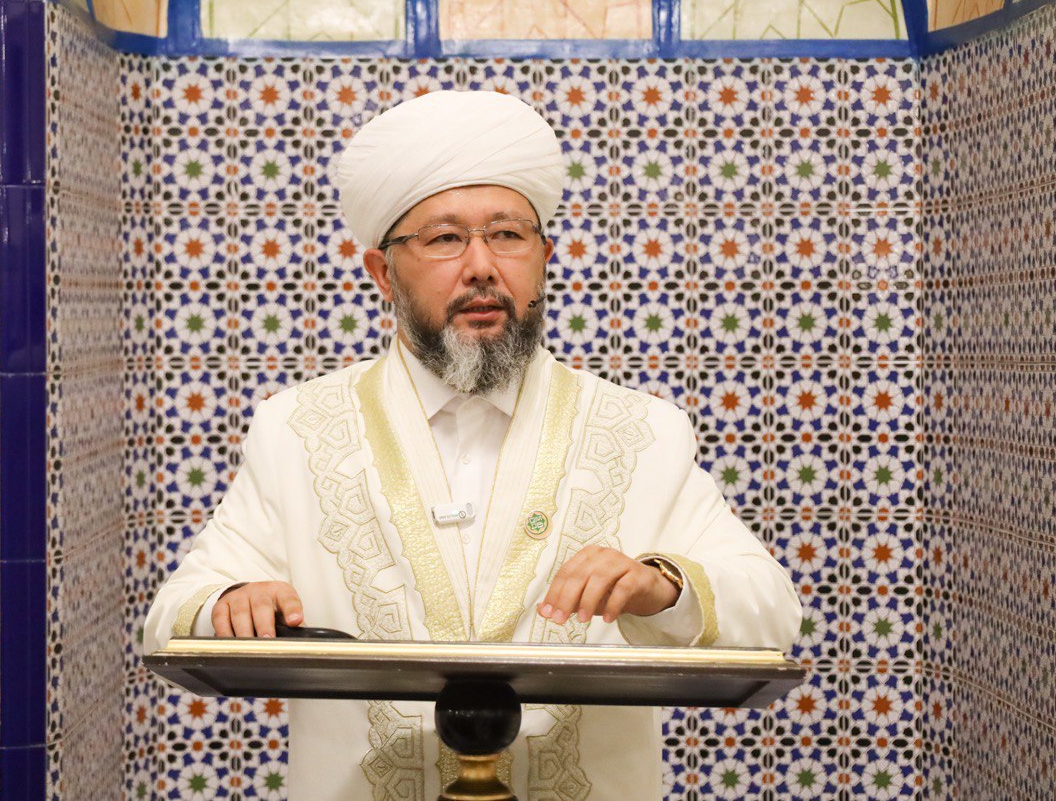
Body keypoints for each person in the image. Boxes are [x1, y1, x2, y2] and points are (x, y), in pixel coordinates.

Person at [144, 89, 801, 799]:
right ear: (381, 272)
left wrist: (661, 586)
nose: (482, 265)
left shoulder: (640, 430)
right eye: (444, 239)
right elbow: (173, 613)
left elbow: (770, 608)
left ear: (544, 259)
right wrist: (231, 601)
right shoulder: (297, 430)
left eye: (508, 236)